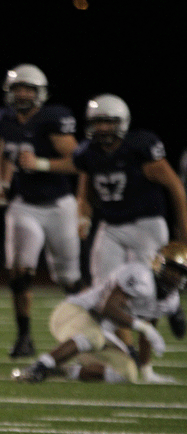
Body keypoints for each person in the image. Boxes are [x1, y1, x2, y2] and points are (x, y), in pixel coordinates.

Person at [72, 94, 187, 382]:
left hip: (147, 225)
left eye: (108, 122)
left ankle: (147, 366)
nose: (102, 129)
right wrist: (83, 215)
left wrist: (183, 230)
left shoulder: (140, 148)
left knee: (150, 294)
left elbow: (175, 186)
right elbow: (85, 188)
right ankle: (128, 356)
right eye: (97, 122)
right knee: (105, 291)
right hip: (111, 225)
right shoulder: (87, 153)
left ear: (122, 123)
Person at [0, 63, 81, 358]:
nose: (24, 94)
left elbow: (79, 162)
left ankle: (85, 332)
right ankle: (24, 337)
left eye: (29, 89)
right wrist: (2, 184)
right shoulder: (5, 120)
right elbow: (4, 151)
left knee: (69, 278)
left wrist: (41, 164)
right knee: (19, 273)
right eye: (18, 88)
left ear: (40, 93)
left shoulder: (52, 121)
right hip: (24, 205)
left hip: (59, 206)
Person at [13, 241, 187, 384]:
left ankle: (59, 371)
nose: (175, 277)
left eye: (180, 274)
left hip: (100, 332)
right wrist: (143, 327)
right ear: (158, 265)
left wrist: (147, 371)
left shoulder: (170, 300)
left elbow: (148, 330)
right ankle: (38, 368)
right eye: (172, 270)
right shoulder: (140, 276)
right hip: (74, 313)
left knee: (127, 373)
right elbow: (109, 308)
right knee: (94, 336)